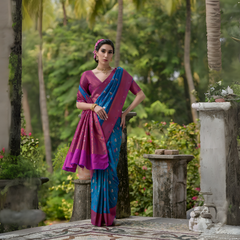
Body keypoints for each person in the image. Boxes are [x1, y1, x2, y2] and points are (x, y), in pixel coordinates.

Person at [62, 39, 146, 226]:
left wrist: (124, 113)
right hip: (94, 128)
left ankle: (109, 216)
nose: (107, 55)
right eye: (103, 51)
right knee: (97, 171)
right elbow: (78, 103)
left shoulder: (120, 75)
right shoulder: (87, 76)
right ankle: (97, 217)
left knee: (110, 171)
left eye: (110, 52)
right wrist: (93, 106)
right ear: (96, 53)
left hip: (114, 128)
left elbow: (140, 94)